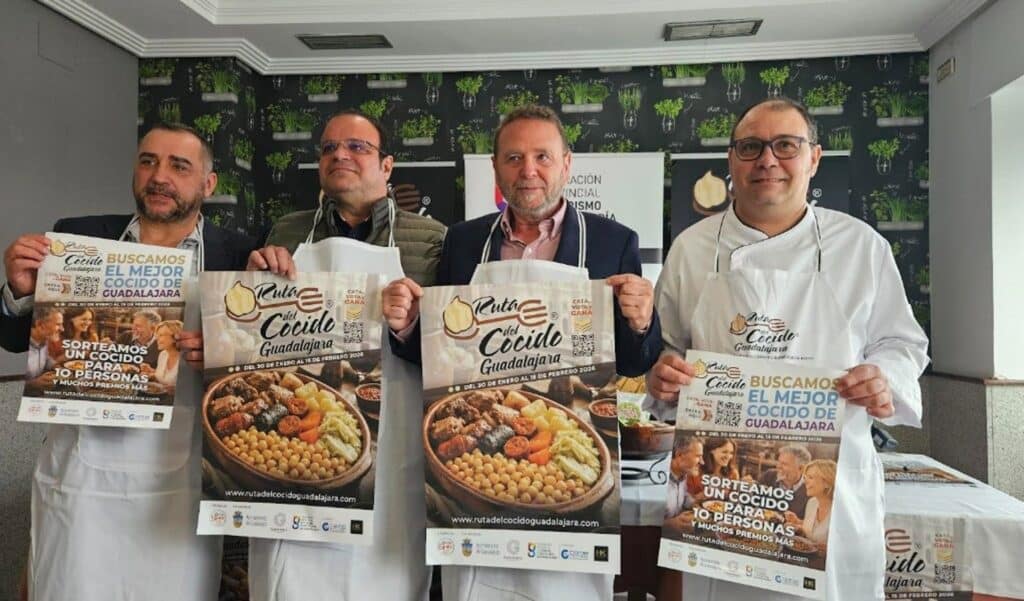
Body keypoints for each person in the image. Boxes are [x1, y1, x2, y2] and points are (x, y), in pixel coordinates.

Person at [647, 97, 929, 601]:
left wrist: (884, 377)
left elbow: (902, 343)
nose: (767, 160)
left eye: (786, 146)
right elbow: (667, 348)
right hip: (724, 505)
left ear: (813, 158)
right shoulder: (690, 248)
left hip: (833, 488)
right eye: (751, 147)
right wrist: (663, 375)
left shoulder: (860, 246)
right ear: (732, 160)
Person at [384, 104, 663, 601]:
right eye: (513, 158)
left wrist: (641, 322)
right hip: (480, 486)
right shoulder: (463, 242)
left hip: (563, 491)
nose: (528, 170)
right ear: (496, 169)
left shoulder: (613, 241)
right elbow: (441, 354)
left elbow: (634, 361)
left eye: (542, 156)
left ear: (566, 164)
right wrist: (407, 328)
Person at [0, 122, 257, 601]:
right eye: (148, 162)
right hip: (80, 478)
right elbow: (17, 339)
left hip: (180, 483)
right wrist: (18, 291)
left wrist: (223, 352)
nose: (160, 176)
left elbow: (256, 366)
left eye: (179, 166)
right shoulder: (76, 237)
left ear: (208, 184)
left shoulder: (242, 254)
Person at [245, 109, 445, 601]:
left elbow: (451, 354)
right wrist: (252, 283)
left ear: (387, 165)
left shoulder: (432, 240)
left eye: (357, 147)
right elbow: (252, 340)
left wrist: (411, 322)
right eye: (329, 148)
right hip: (294, 449)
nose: (341, 155)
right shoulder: (284, 232)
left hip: (394, 449)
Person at [786, 459, 836, 548]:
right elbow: (814, 532)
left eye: (810, 477)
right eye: (805, 478)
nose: (805, 481)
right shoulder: (812, 502)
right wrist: (798, 524)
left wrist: (828, 549)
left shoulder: (840, 512)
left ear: (827, 483)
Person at [759, 444, 811, 519]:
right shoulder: (769, 476)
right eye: (779, 462)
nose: (778, 466)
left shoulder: (810, 491)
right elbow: (754, 501)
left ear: (801, 468)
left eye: (784, 464)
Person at [666, 435, 704, 521]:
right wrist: (672, 524)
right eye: (698, 456)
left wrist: (693, 504)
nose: (702, 462)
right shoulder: (658, 478)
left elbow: (684, 495)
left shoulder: (683, 474)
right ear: (679, 455)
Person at [25, 308, 63, 380]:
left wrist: (56, 366)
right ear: (39, 324)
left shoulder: (44, 340)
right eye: (58, 324)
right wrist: (33, 384)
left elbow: (46, 358)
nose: (62, 329)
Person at [148, 319, 184, 387]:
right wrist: (151, 374)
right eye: (157, 335)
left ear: (175, 337)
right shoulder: (163, 354)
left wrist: (175, 389)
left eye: (161, 335)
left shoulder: (187, 359)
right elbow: (163, 379)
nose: (157, 338)